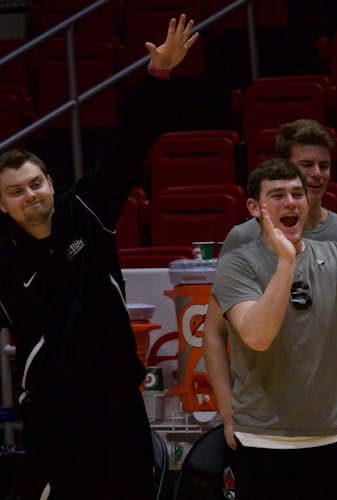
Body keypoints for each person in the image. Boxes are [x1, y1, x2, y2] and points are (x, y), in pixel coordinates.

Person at [0, 16, 198, 500]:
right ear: (2, 204)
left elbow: (131, 144)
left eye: (35, 184)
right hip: (53, 416)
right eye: (15, 192)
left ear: (50, 183)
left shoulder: (87, 207)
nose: (29, 195)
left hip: (118, 406)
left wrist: (158, 76)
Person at [211, 158, 337, 500]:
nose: (291, 202)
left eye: (297, 193)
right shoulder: (237, 263)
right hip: (265, 442)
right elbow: (257, 335)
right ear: (254, 207)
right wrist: (286, 263)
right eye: (277, 195)